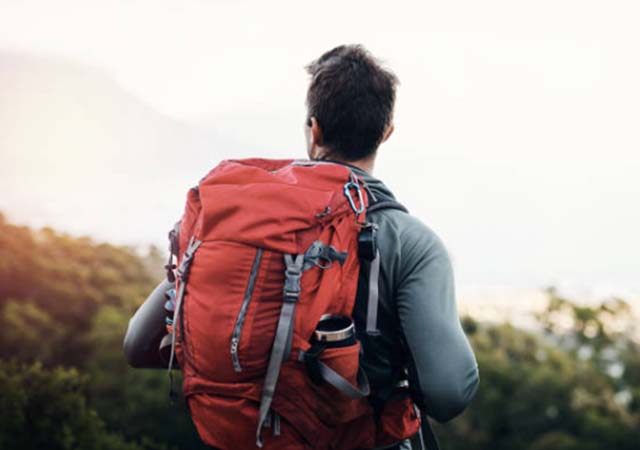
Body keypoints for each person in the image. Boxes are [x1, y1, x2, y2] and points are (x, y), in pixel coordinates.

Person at [124, 44, 479, 450]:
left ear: (314, 129)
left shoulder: (234, 215)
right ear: (386, 133)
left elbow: (138, 343)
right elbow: (450, 393)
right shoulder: (410, 242)